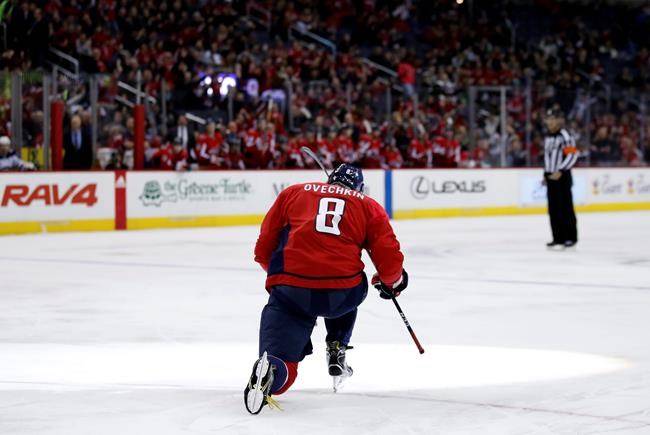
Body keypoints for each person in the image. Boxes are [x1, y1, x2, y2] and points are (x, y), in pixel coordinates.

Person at [245, 164, 407, 414]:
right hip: (339, 294)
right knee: (354, 280)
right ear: (359, 187)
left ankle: (271, 370)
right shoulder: (368, 205)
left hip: (290, 292)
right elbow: (389, 261)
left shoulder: (292, 193)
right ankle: (337, 344)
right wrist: (391, 283)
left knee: (283, 367)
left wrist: (283, 279)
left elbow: (262, 250)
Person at [543, 108, 579, 249]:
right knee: (553, 209)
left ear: (558, 121)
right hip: (551, 176)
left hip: (562, 177)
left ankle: (570, 237)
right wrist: (545, 174)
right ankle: (558, 238)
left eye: (552, 119)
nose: (550, 122)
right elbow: (547, 158)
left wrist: (561, 170)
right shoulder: (548, 137)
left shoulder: (565, 135)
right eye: (548, 119)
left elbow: (572, 155)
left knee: (566, 208)